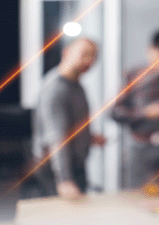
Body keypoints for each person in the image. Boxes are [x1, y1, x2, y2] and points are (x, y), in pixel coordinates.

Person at [32, 37, 106, 200]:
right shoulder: (55, 89)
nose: (90, 60)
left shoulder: (77, 86)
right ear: (66, 53)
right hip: (55, 170)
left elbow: (70, 128)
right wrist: (64, 179)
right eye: (85, 54)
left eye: (93, 56)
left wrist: (89, 138)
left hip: (76, 166)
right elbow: (57, 137)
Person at [111, 29, 159, 189]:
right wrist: (144, 113)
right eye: (158, 53)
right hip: (141, 147)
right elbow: (115, 111)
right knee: (137, 198)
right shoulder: (134, 75)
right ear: (149, 50)